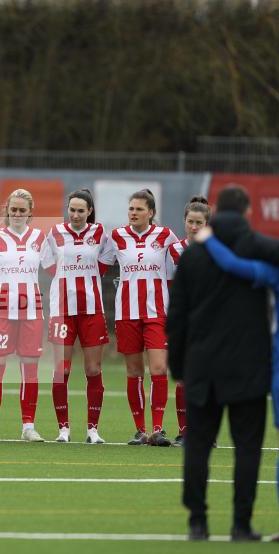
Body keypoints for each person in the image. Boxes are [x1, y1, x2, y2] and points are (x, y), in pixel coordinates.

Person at [167, 184, 279, 542]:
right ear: (248, 211)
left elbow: (189, 305)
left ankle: (216, 522)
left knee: (213, 445)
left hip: (241, 367)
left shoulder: (209, 258)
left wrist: (178, 364)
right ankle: (275, 525)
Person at [104, 189, 179, 446]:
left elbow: (174, 272)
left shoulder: (165, 236)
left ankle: (157, 428)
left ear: (151, 212)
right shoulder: (116, 236)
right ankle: (140, 430)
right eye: (131, 209)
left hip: (157, 312)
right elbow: (100, 265)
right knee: (134, 371)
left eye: (138, 209)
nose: (133, 213)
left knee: (158, 368)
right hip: (127, 313)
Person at [0, 188, 52, 442]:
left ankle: (28, 426)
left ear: (30, 213)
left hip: (31, 311)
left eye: (22, 210)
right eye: (13, 209)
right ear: (7, 211)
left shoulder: (40, 238)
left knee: (29, 369)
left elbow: (53, 269)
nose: (17, 214)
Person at [44, 189, 114, 444]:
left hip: (91, 309)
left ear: (89, 212)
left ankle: (92, 430)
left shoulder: (99, 233)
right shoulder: (55, 233)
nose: (75, 214)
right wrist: (66, 279)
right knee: (61, 370)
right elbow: (48, 264)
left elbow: (105, 263)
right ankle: (63, 429)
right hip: (62, 310)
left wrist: (86, 280)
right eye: (71, 209)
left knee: (93, 369)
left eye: (80, 210)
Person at [165, 196, 211, 447]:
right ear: (184, 222)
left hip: (208, 322)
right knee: (183, 378)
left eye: (199, 223)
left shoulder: (216, 251)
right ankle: (185, 432)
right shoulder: (174, 251)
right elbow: (170, 286)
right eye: (191, 222)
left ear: (207, 224)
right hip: (185, 323)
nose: (194, 227)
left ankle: (205, 431)